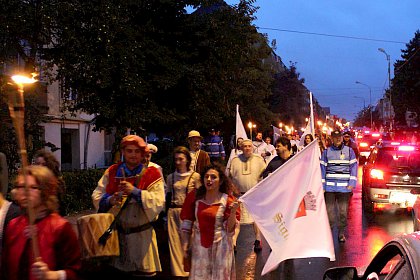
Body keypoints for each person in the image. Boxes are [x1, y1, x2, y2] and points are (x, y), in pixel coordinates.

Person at [91, 135, 165, 277]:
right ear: (123, 152)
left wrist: (135, 192)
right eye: (129, 151)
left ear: (142, 153)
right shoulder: (112, 172)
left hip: (142, 240)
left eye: (137, 151)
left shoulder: (152, 173)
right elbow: (97, 195)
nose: (133, 155)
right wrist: (110, 199)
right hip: (118, 241)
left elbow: (159, 202)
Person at [2, 165, 81, 280]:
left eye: (33, 187)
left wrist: (52, 275)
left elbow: (76, 272)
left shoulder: (60, 227)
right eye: (21, 187)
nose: (25, 192)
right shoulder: (13, 225)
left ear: (46, 191)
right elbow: (5, 269)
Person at [180, 164, 240, 280]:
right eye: (206, 177)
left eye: (213, 177)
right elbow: (187, 224)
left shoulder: (227, 200)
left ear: (221, 181)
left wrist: (232, 212)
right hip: (200, 248)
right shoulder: (195, 197)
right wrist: (185, 247)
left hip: (222, 248)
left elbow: (230, 229)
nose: (209, 180)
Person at [166, 146, 201, 278]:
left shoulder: (195, 177)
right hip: (173, 212)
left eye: (181, 159)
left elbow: (199, 197)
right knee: (174, 243)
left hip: (189, 213)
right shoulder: (171, 177)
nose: (178, 162)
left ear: (187, 160)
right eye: (176, 159)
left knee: (189, 243)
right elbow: (168, 196)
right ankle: (178, 274)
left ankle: (192, 271)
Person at [320, 130, 358, 242]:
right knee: (329, 213)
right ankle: (329, 234)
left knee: (343, 213)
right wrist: (322, 186)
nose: (338, 139)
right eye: (335, 137)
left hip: (344, 189)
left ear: (342, 138)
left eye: (339, 137)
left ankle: (341, 233)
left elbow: (353, 168)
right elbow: (322, 169)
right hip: (329, 188)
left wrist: (351, 184)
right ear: (331, 138)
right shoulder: (326, 152)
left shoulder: (350, 151)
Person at [229, 139, 266, 252]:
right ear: (241, 148)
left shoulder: (259, 160)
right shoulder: (235, 161)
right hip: (239, 195)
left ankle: (258, 240)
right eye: (245, 146)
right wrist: (233, 189)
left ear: (252, 147)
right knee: (237, 220)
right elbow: (230, 177)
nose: (247, 148)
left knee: (256, 219)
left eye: (249, 146)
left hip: (255, 195)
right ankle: (233, 242)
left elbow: (264, 176)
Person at [33, 149, 67, 216]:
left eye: (43, 164)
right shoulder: (33, 181)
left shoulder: (55, 184)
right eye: (38, 164)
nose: (40, 167)